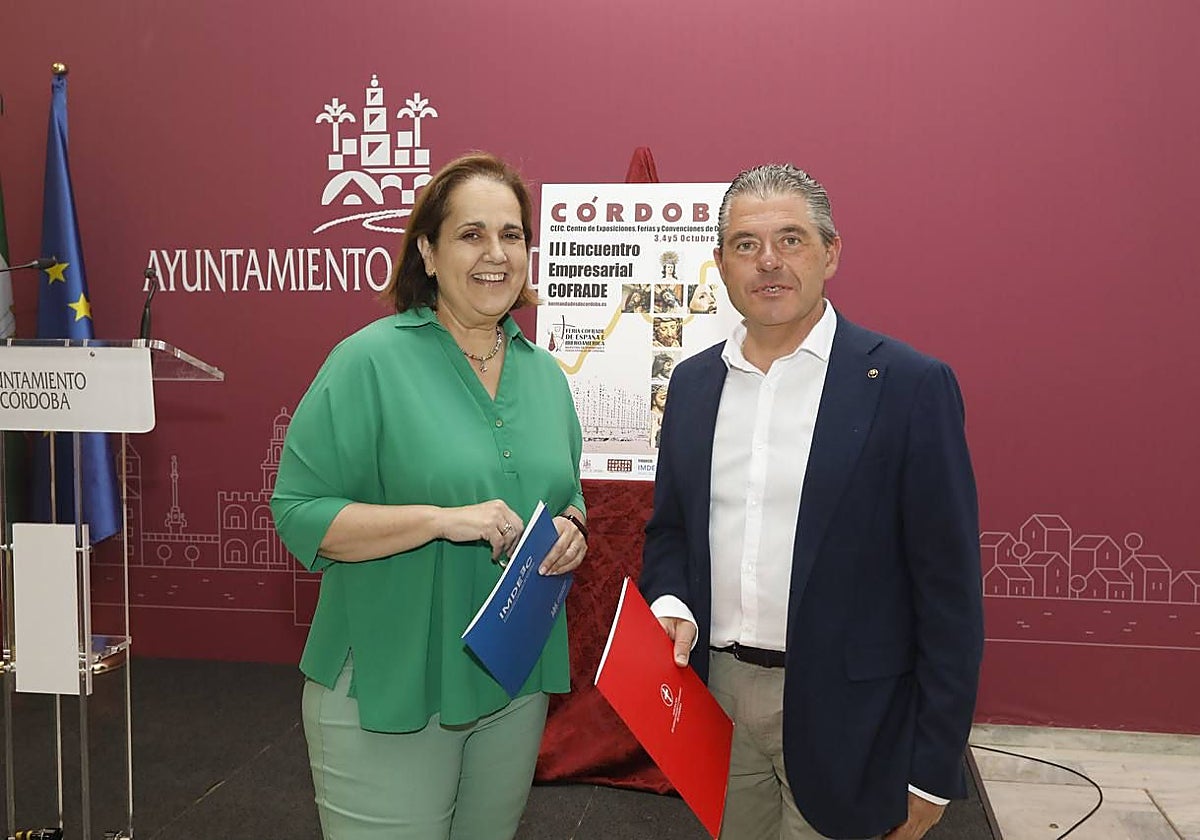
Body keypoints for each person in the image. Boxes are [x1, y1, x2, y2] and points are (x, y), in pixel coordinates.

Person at [640, 163, 983, 840]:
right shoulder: (692, 385)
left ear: (831, 253)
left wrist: (933, 766)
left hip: (852, 714)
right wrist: (671, 601)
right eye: (746, 244)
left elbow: (948, 591)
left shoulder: (909, 386)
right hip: (715, 699)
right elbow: (671, 531)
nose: (768, 261)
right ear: (721, 264)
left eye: (791, 239)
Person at [271, 152, 588, 840]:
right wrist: (439, 521)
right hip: (388, 685)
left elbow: (567, 496)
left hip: (511, 681)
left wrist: (573, 528)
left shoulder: (546, 376)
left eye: (512, 235)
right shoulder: (368, 361)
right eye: (472, 234)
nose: (496, 254)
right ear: (428, 253)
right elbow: (299, 511)